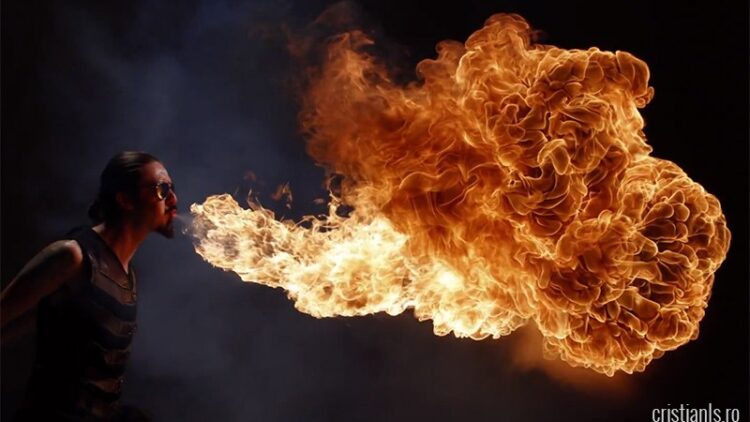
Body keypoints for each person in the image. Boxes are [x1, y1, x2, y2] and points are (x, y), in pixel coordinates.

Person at [1, 151, 178, 421]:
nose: (173, 199)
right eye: (162, 189)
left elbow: (43, 322)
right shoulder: (72, 257)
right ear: (125, 200)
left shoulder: (127, 277)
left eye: (172, 189)